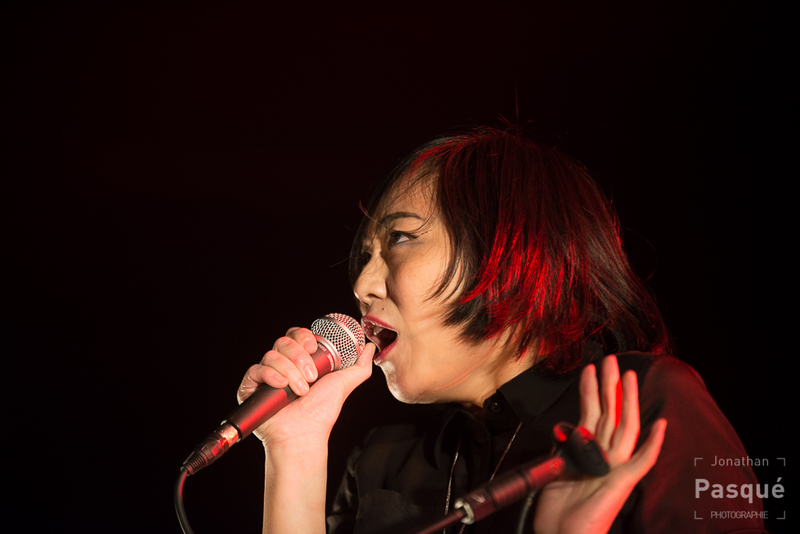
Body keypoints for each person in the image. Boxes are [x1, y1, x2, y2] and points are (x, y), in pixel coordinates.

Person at [237, 127, 766, 533]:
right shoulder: (384, 458)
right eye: (367, 255)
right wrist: (294, 449)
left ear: (506, 250)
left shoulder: (642, 400)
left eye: (399, 238)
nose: (364, 283)